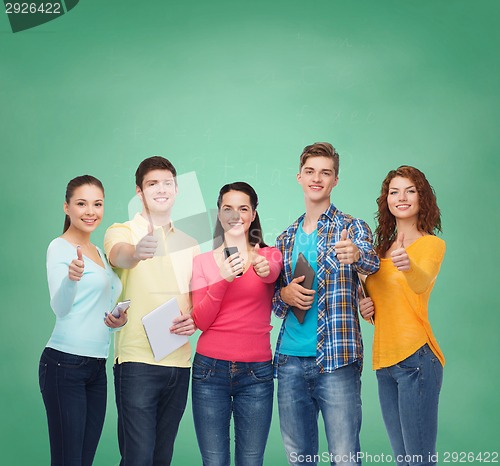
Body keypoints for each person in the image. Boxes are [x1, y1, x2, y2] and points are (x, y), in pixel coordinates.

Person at [273, 142, 380, 466]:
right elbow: (275, 302)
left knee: (345, 458)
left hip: (337, 359)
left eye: (325, 172)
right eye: (310, 172)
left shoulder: (352, 227)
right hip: (290, 361)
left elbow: (372, 263)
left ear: (335, 180)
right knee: (299, 459)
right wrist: (284, 295)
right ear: (299, 177)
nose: (316, 178)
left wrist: (357, 255)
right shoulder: (285, 238)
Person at [104, 156, 200, 466]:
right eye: (152, 184)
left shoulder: (192, 241)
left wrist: (195, 320)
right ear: (139, 192)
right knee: (138, 458)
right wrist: (135, 252)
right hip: (137, 362)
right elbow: (119, 256)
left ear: (176, 188)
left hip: (180, 361)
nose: (161, 189)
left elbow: (197, 299)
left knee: (162, 458)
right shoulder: (122, 231)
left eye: (167, 183)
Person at [191, 182, 282, 466]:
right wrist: (222, 279)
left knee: (251, 460)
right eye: (227, 208)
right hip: (209, 371)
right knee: (214, 461)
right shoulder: (202, 262)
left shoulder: (269, 256)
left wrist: (264, 269)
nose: (235, 214)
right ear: (218, 213)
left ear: (253, 214)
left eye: (243, 208)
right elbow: (200, 321)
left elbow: (272, 273)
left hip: (256, 373)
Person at [359, 166, 445, 466]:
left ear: (422, 198)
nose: (402, 197)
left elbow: (421, 283)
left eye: (410, 190)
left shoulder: (431, 244)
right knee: (403, 460)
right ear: (387, 201)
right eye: (394, 192)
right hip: (384, 364)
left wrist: (408, 265)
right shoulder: (379, 251)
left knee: (419, 461)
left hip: (417, 361)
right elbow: (384, 304)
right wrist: (365, 309)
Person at [39, 175, 127, 466]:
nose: (91, 211)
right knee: (67, 461)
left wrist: (118, 319)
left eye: (97, 204)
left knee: (84, 460)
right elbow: (61, 308)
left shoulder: (99, 252)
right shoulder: (59, 247)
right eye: (81, 203)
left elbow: (99, 304)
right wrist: (70, 279)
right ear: (67, 207)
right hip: (64, 364)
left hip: (95, 366)